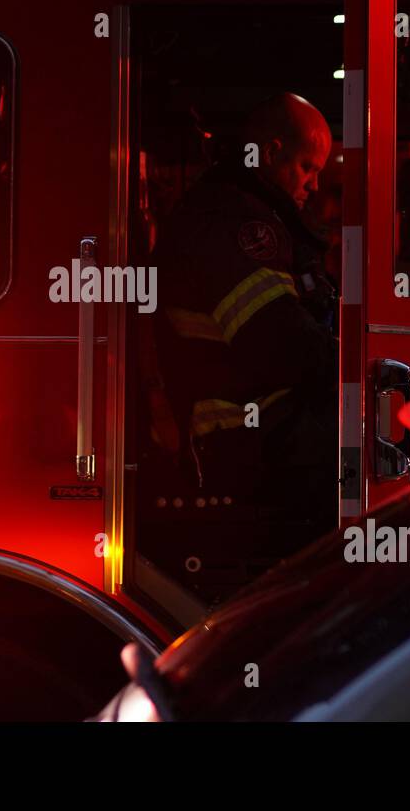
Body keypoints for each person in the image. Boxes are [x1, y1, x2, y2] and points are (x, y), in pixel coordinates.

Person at [153, 93, 339, 595]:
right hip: (242, 439)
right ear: (271, 150)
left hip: (256, 432)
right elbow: (280, 344)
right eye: (306, 166)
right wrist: (357, 369)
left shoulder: (239, 209)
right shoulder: (234, 223)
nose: (314, 183)